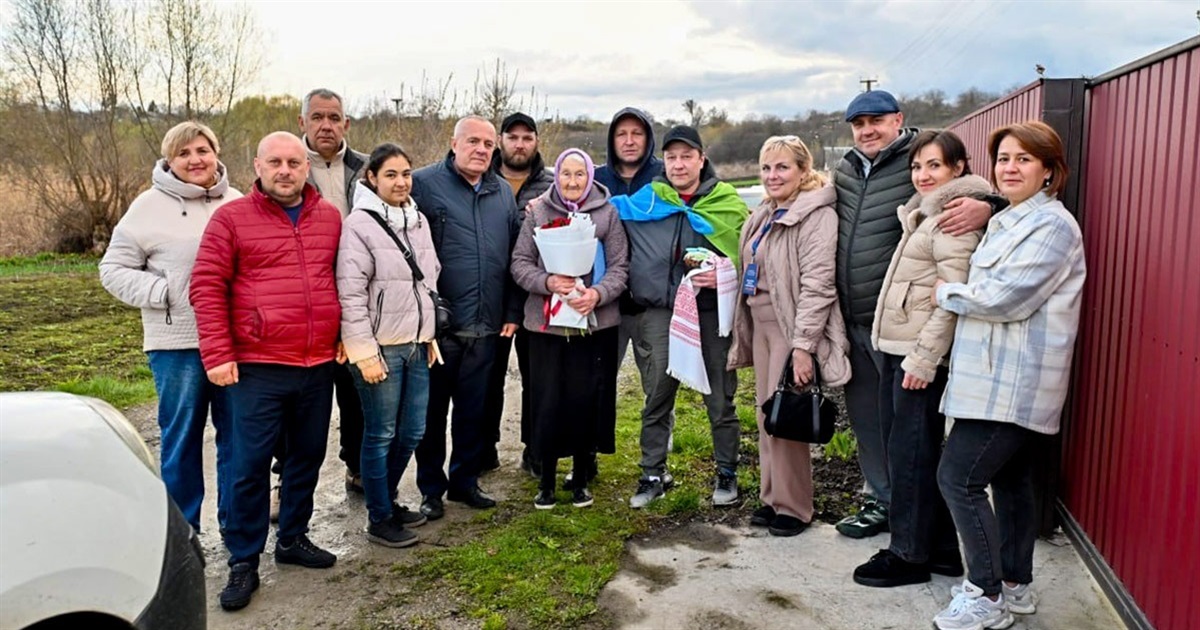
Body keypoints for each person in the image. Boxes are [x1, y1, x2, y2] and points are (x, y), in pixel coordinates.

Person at [930, 121, 1085, 630]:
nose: (1010, 167)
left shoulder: (1054, 226)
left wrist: (945, 294)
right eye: (1002, 158)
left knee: (958, 477)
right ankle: (1014, 585)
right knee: (1012, 481)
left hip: (1015, 382)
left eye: (1023, 159)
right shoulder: (1010, 219)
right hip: (991, 377)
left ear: (1048, 171)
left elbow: (1005, 299)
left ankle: (986, 595)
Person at [191, 132, 343, 612]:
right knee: (248, 466)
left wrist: (345, 334)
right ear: (257, 165)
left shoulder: (330, 218)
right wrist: (217, 354)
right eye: (275, 162)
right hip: (258, 365)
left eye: (294, 162)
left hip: (317, 364)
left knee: (307, 457)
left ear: (307, 167)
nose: (285, 170)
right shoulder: (231, 219)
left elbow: (343, 280)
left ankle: (293, 538)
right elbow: (206, 285)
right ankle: (243, 559)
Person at [832, 90, 995, 538]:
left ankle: (913, 524)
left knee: (908, 433)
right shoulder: (844, 171)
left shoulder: (917, 162)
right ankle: (879, 500)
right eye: (858, 122)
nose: (867, 130)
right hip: (859, 317)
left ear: (897, 120)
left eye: (876, 120)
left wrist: (989, 205)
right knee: (868, 419)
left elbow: (973, 190)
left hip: (908, 324)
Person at [99, 121, 242, 534]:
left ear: (216, 152)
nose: (195, 160)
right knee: (181, 439)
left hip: (233, 344)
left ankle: (236, 529)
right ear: (169, 160)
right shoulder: (147, 207)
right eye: (184, 154)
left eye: (202, 150)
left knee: (236, 438)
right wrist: (165, 292)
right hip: (176, 344)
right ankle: (184, 535)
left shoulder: (236, 202)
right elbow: (112, 269)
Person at [611, 125, 749, 509]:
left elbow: (748, 253)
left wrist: (723, 273)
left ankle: (727, 471)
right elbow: (604, 219)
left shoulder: (727, 203)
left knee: (720, 398)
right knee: (657, 394)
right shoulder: (648, 201)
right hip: (661, 313)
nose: (678, 164)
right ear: (663, 162)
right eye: (671, 157)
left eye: (687, 156)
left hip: (711, 312)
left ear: (701, 160)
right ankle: (652, 473)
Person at [726, 136, 850, 537]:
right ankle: (771, 496)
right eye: (766, 168)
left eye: (782, 167)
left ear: (803, 170)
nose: (772, 175)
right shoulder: (765, 212)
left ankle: (795, 506)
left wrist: (803, 347)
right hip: (760, 323)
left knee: (787, 417)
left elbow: (819, 284)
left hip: (790, 327)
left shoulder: (815, 215)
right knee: (767, 415)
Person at [412, 116, 522, 520]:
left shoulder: (502, 193)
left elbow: (514, 257)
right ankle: (430, 489)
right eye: (472, 141)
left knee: (474, 412)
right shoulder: (424, 185)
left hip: (488, 324)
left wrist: (511, 310)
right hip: (439, 328)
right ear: (453, 143)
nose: (481, 149)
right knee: (431, 414)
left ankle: (464, 481)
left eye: (488, 144)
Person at [510, 148, 629, 509]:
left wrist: (596, 293)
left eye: (580, 174)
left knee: (584, 400)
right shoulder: (539, 212)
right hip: (546, 328)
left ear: (590, 177)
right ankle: (545, 479)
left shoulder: (606, 214)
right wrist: (549, 283)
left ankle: (580, 478)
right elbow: (519, 263)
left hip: (592, 326)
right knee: (547, 401)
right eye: (566, 174)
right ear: (556, 176)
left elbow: (621, 266)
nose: (573, 182)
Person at [337, 143, 440, 548]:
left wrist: (428, 332)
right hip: (381, 347)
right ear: (372, 179)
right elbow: (350, 293)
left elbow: (429, 278)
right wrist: (363, 352)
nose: (401, 182)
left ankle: (387, 498)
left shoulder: (417, 220)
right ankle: (379, 517)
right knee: (380, 433)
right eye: (391, 175)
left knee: (413, 430)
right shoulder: (358, 225)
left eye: (406, 174)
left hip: (417, 343)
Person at [298, 88, 369, 496]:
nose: (326, 124)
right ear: (303, 122)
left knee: (357, 387)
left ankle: (356, 464)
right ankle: (286, 478)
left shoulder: (364, 167)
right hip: (305, 295)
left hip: (354, 293)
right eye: (318, 117)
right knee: (301, 395)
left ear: (346, 123)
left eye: (334, 117)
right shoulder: (288, 165)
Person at [486, 112, 554, 478]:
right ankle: (484, 448)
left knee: (537, 378)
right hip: (491, 295)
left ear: (537, 142)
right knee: (487, 378)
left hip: (535, 296)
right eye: (513, 137)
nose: (520, 144)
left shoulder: (551, 185)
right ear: (501, 140)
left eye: (527, 137)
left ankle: (536, 449)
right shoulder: (483, 179)